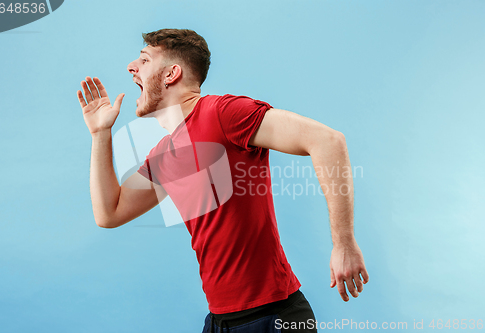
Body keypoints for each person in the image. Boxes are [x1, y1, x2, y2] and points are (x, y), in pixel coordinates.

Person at [77, 28, 369, 333]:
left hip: (274, 317)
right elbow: (109, 213)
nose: (131, 67)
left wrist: (344, 243)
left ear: (171, 74)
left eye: (144, 60)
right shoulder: (165, 154)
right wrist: (100, 134)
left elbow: (328, 141)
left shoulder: (222, 113)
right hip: (219, 322)